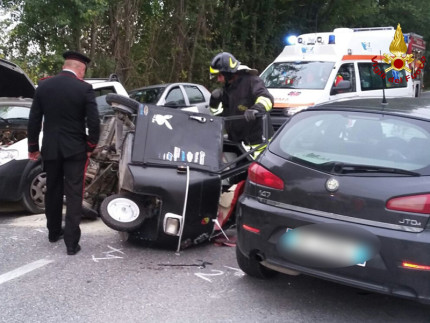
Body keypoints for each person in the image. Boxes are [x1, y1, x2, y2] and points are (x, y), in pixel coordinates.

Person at [27, 50, 100, 256]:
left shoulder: (44, 86)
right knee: (74, 194)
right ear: (80, 68)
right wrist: (90, 146)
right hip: (75, 149)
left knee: (53, 190)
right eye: (84, 71)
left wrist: (33, 147)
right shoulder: (84, 89)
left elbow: (34, 119)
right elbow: (94, 122)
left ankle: (53, 233)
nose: (84, 75)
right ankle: (71, 243)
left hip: (51, 148)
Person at [209, 52, 274, 157]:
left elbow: (267, 98)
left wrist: (256, 109)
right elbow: (218, 116)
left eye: (220, 75)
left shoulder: (252, 81)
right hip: (236, 143)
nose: (218, 79)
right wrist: (214, 102)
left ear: (228, 73)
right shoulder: (227, 89)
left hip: (257, 145)